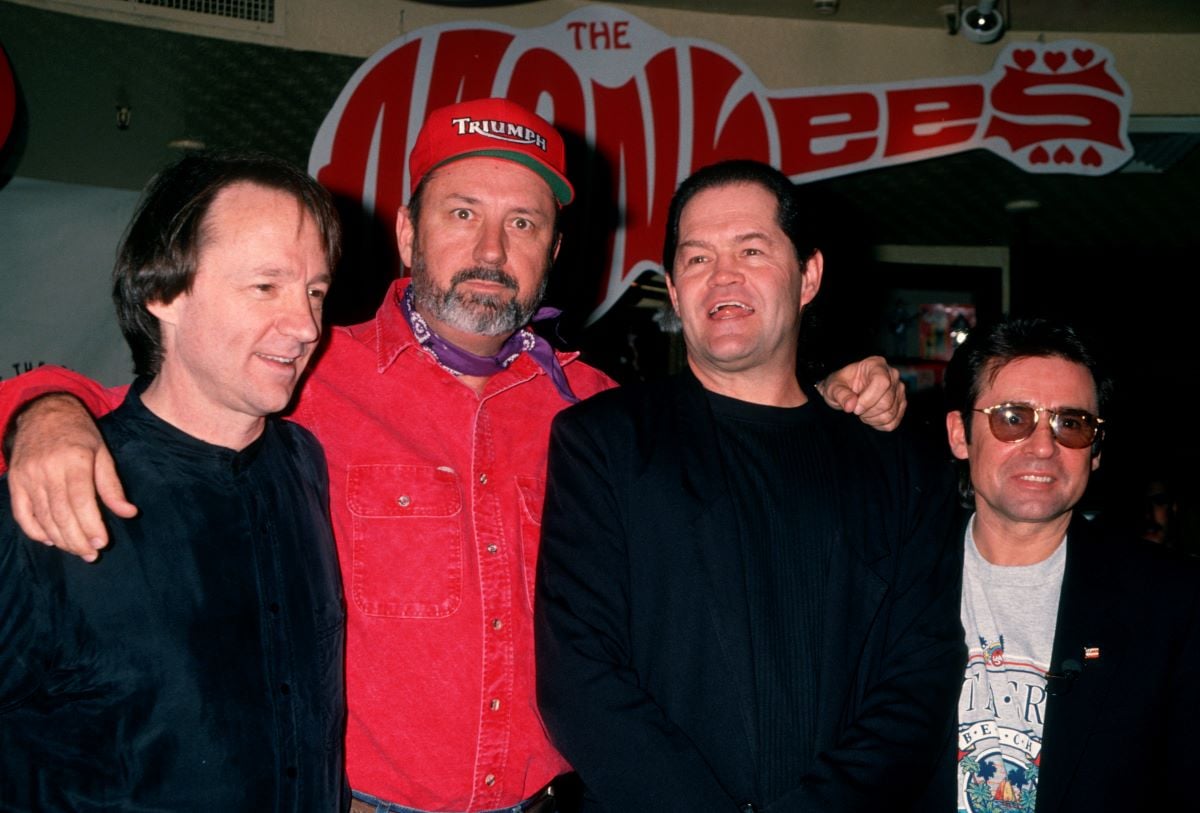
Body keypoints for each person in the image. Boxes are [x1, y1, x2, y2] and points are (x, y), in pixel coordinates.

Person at [1, 101, 905, 813]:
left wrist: (828, 402)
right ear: (405, 232)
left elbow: (739, 448)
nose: (489, 251)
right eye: (461, 212)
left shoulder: (601, 414)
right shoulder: (307, 370)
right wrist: (41, 410)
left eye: (524, 223)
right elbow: (161, 412)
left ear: (555, 249)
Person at [534, 159, 963, 812]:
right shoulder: (605, 442)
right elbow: (579, 675)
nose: (722, 276)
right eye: (698, 257)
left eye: (751, 249)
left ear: (808, 274)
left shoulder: (900, 471)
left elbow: (916, 686)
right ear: (674, 291)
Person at [0, 151, 347, 810]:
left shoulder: (304, 463)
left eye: (315, 291)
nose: (305, 327)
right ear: (163, 292)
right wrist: (42, 409)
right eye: (266, 286)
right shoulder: (47, 496)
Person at [943, 318, 1200, 812]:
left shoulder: (1171, 604)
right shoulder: (893, 579)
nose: (1044, 446)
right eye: (1013, 418)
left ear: (1096, 451)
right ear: (961, 434)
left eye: (1071, 423)